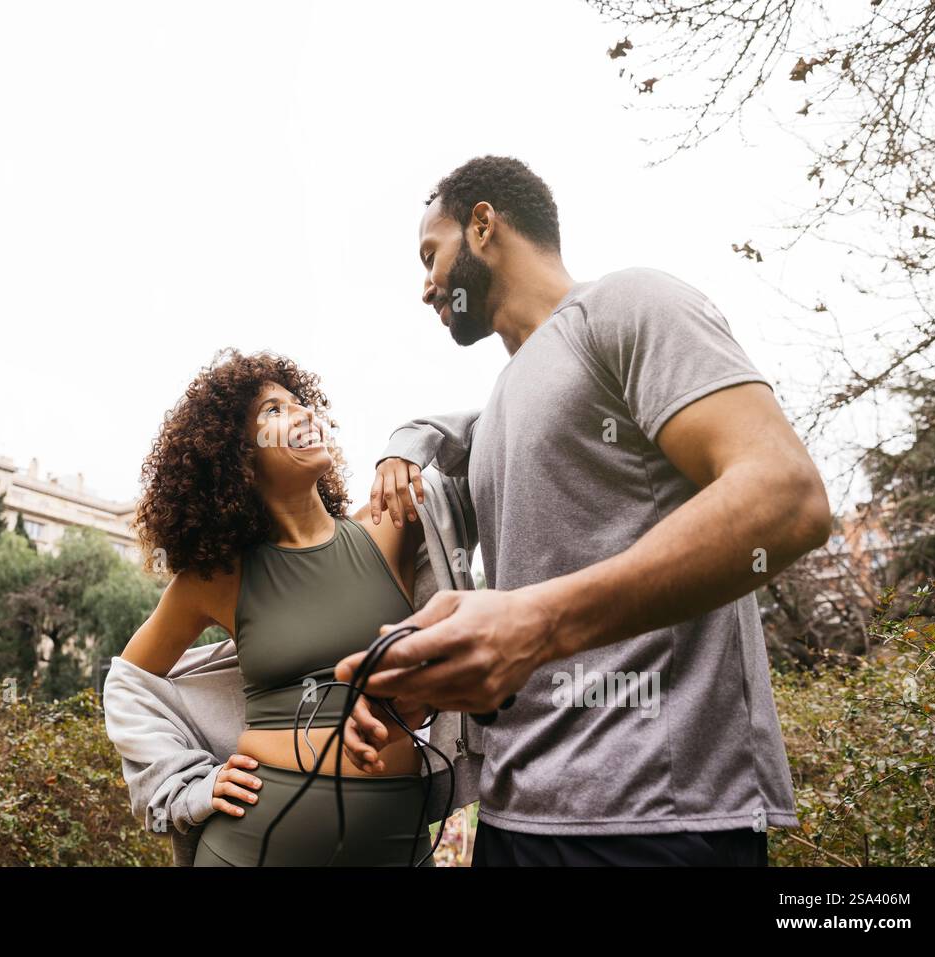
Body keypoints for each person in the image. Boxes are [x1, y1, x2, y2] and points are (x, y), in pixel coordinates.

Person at [335, 155, 833, 866]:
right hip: (512, 820)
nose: (425, 287)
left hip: (657, 824)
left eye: (430, 255)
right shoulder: (503, 402)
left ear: (483, 225)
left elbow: (787, 498)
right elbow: (508, 602)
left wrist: (537, 624)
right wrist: (417, 677)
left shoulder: (629, 305)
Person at [114, 348, 440, 866]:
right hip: (251, 846)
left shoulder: (387, 526)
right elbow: (128, 684)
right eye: (274, 410)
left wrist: (408, 445)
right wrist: (188, 786)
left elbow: (491, 444)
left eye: (300, 403)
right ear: (233, 453)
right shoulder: (217, 577)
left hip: (396, 843)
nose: (304, 413)